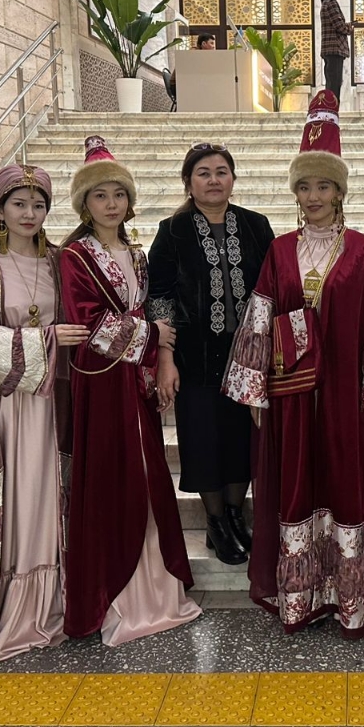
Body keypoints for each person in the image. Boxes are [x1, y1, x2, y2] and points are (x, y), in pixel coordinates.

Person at [223, 90, 364, 637]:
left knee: (345, 484)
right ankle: (300, 597)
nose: (313, 197)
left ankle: (348, 597)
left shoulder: (363, 249)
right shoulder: (280, 249)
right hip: (292, 393)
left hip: (347, 394)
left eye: (323, 186)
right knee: (297, 484)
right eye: (304, 187)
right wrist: (254, 390)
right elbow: (260, 317)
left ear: (339, 191)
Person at [60, 135, 201, 645]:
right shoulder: (75, 257)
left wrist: (158, 359)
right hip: (101, 382)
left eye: (119, 194)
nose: (111, 204)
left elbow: (148, 314)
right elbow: (88, 324)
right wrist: (151, 335)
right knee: (113, 474)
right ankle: (116, 591)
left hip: (134, 378)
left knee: (146, 474)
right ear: (85, 203)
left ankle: (157, 585)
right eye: (100, 196)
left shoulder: (138, 255)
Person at [0, 164, 87, 671]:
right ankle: (11, 604)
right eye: (19, 204)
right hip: (6, 407)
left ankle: (56, 599)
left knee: (51, 494)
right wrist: (46, 339)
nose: (30, 214)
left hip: (57, 403)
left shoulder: (62, 262)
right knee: (16, 496)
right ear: (0, 209)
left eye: (39, 204)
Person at [147, 144, 275, 566]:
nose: (214, 180)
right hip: (195, 358)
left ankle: (237, 516)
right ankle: (216, 522)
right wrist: (166, 356)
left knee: (242, 438)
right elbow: (159, 297)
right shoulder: (173, 230)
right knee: (203, 440)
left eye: (222, 171)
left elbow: (274, 286)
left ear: (233, 179)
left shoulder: (256, 226)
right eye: (204, 173)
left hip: (249, 357)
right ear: (189, 182)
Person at [319, 0, 353, 97]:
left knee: (331, 84)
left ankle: (331, 108)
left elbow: (335, 24)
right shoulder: (331, 3)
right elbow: (340, 27)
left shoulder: (325, 3)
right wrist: (350, 28)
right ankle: (333, 108)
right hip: (335, 49)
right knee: (334, 86)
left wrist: (345, 25)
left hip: (329, 50)